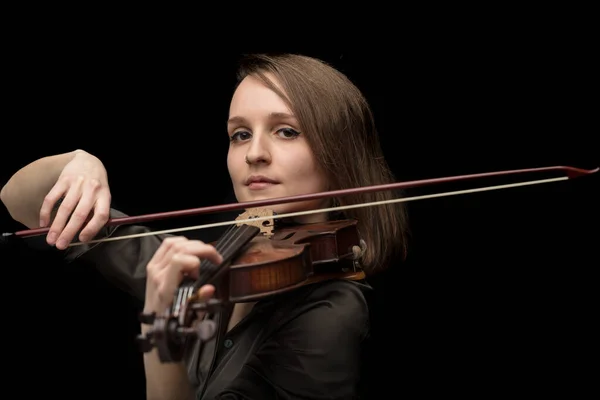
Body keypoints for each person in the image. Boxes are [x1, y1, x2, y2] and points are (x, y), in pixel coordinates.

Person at [1, 53, 409, 399]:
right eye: (240, 134)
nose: (255, 154)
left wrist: (162, 336)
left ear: (339, 150)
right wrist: (79, 163)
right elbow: (17, 201)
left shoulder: (332, 314)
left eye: (286, 131)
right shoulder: (220, 264)